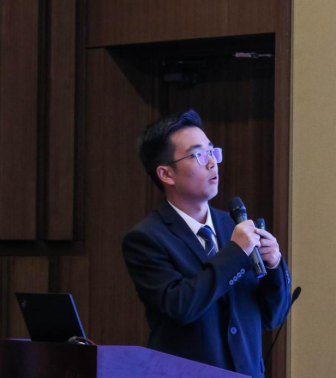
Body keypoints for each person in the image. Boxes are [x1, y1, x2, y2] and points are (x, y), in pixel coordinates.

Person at [122, 110, 292, 378]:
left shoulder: (232, 226)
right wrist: (236, 253)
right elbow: (181, 306)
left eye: (213, 151)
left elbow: (272, 317)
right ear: (166, 174)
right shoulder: (147, 238)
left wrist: (273, 266)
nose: (212, 163)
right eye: (199, 155)